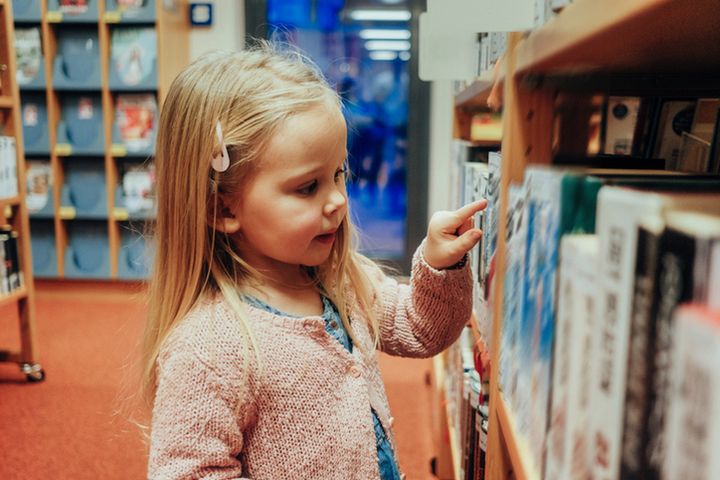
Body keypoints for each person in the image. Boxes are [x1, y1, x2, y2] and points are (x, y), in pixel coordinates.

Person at [141, 42, 487, 479]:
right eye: (308, 188)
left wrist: (440, 266)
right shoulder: (209, 347)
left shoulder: (342, 281)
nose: (338, 200)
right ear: (223, 209)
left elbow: (423, 330)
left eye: (339, 174)